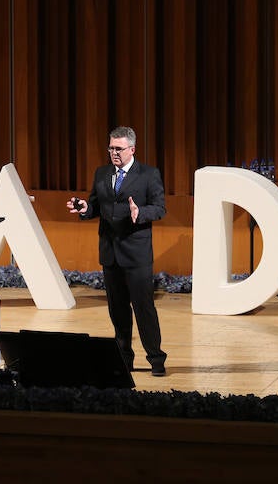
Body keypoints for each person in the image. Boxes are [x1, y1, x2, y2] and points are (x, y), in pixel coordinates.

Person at [67, 126, 168, 376]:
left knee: (143, 308)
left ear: (132, 149)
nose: (114, 152)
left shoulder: (148, 174)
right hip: (110, 253)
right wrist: (84, 209)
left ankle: (156, 359)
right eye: (111, 148)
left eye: (119, 148)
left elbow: (160, 208)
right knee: (118, 310)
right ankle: (124, 360)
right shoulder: (102, 173)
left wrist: (140, 212)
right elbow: (95, 205)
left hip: (136, 254)